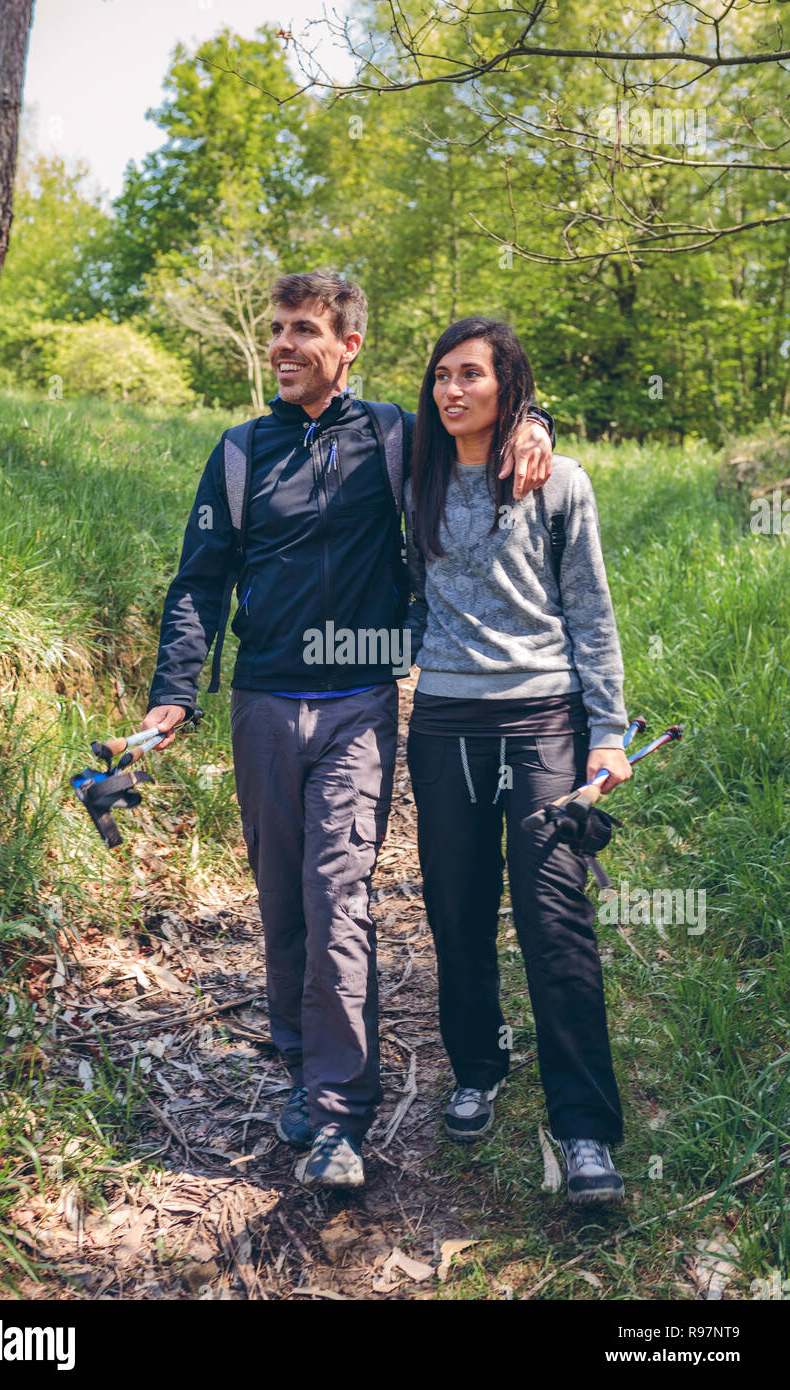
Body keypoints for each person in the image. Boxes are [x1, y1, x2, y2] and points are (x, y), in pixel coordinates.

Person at [141, 274, 555, 1189]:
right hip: (261, 701)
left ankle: (337, 1114)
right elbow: (199, 580)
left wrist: (538, 423)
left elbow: (483, 415)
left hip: (362, 699)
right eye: (277, 330)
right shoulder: (242, 453)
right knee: (283, 897)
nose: (284, 346)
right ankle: (300, 1063)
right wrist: (175, 692)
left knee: (338, 897)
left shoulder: (393, 439)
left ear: (348, 345)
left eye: (304, 331)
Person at [404, 316, 631, 1204]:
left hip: (543, 721)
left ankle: (584, 1130)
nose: (452, 390)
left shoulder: (559, 479)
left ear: (508, 389)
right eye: (441, 376)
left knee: (553, 917)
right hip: (446, 723)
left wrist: (606, 730)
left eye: (472, 376)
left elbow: (591, 612)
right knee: (455, 907)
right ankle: (478, 1066)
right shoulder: (410, 477)